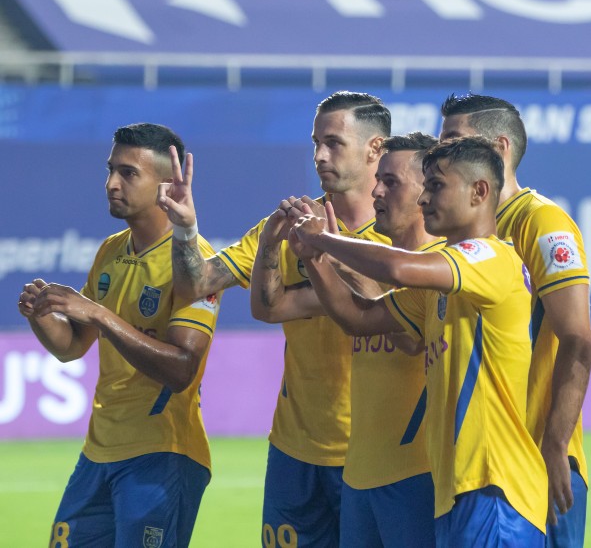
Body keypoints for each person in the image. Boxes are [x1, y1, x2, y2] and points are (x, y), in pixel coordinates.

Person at [158, 91, 391, 547]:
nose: (320, 155)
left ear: (375, 150)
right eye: (315, 143)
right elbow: (196, 283)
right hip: (294, 451)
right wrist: (185, 227)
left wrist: (327, 249)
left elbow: (381, 300)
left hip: (373, 456)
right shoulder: (288, 226)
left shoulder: (398, 236)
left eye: (334, 143)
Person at [290, 136, 548, 547]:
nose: (425, 198)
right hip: (457, 491)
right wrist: (312, 258)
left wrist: (323, 239)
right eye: (425, 186)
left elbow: (399, 267)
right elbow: (359, 318)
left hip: (495, 487)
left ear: (479, 192)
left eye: (437, 186)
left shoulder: (491, 258)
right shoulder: (440, 285)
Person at [18, 123, 221, 547]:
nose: (111, 183)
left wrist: (99, 314)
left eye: (128, 173)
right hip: (98, 453)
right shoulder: (111, 250)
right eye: (111, 170)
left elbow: (182, 369)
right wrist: (42, 315)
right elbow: (72, 346)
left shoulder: (195, 265)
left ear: (167, 185)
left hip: (162, 455)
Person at [247, 132, 442, 547]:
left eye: (391, 182)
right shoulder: (362, 254)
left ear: (429, 193)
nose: (376, 190)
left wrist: (334, 254)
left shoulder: (443, 265)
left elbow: (409, 337)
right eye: (379, 181)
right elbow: (355, 318)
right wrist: (313, 256)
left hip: (417, 474)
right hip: (359, 474)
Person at [439, 93, 591, 547]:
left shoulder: (540, 222)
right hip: (482, 466)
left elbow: (578, 339)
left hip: (536, 455)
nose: (438, 150)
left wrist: (555, 444)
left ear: (500, 148)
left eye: (452, 138)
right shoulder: (460, 230)